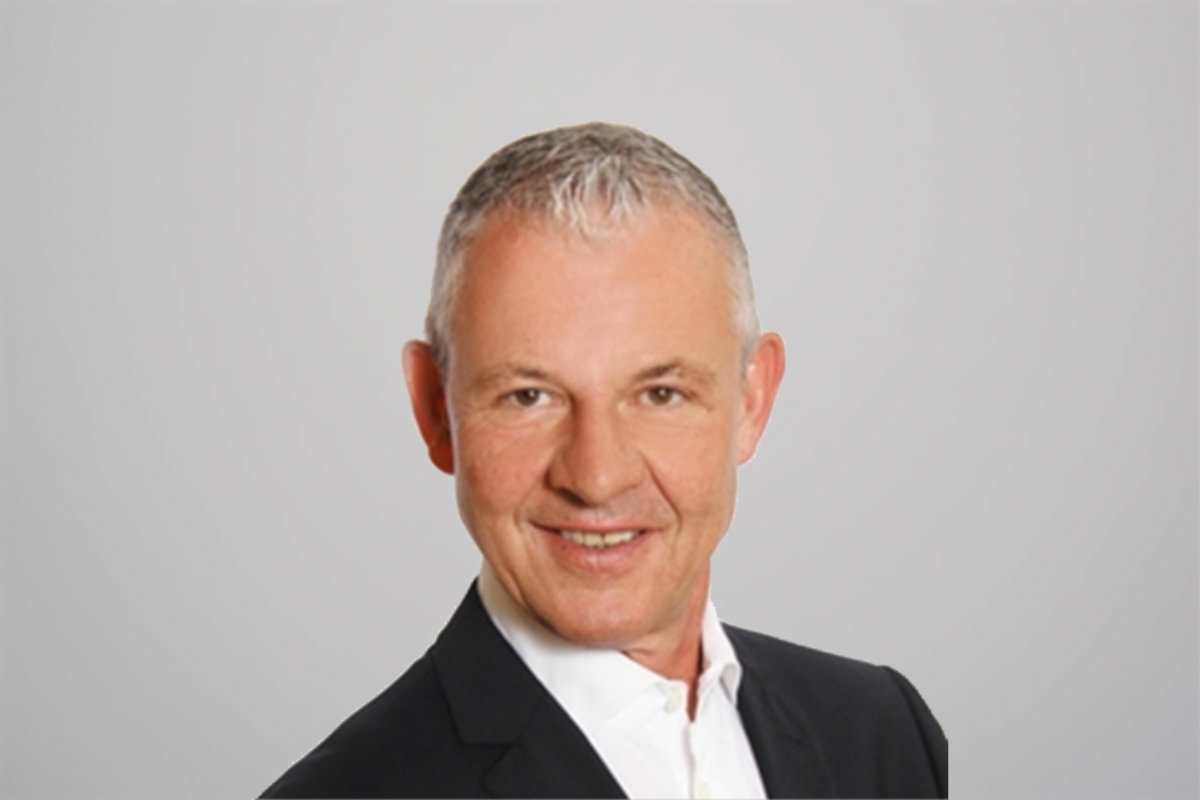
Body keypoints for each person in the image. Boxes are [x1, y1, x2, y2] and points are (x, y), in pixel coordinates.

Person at [261, 122, 948, 799]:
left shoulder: (886, 735)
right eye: (529, 396)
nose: (596, 479)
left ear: (752, 400)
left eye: (660, 393)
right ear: (435, 410)